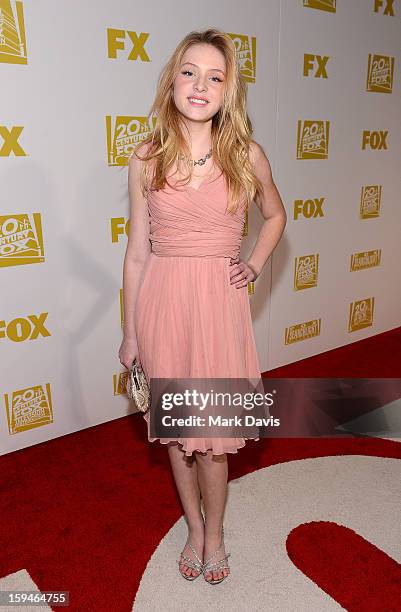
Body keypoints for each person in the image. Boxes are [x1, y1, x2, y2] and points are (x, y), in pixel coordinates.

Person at [118, 28, 287, 585]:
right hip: (163, 303)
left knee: (214, 440)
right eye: (189, 72)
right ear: (172, 81)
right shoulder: (146, 157)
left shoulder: (245, 154)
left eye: (215, 77)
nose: (200, 85)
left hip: (218, 305)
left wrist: (257, 262)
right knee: (176, 434)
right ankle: (192, 526)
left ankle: (215, 535)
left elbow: (276, 214)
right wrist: (130, 332)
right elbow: (137, 254)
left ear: (228, 92)